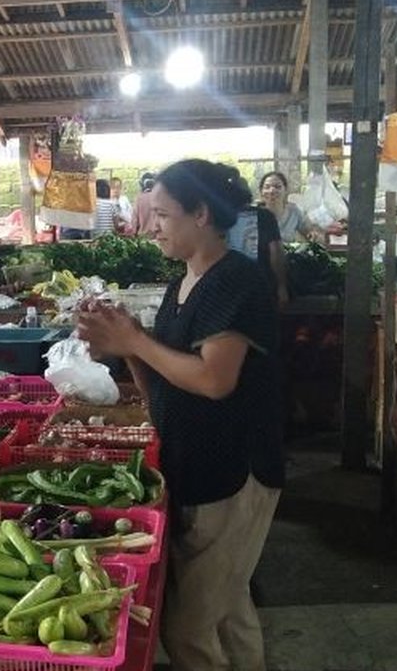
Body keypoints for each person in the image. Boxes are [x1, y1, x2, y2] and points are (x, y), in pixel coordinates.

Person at [76, 158, 284, 671]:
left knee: (187, 627)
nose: (151, 227)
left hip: (234, 472)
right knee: (228, 610)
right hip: (193, 465)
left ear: (202, 215)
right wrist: (123, 342)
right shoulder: (182, 285)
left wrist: (136, 340)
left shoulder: (235, 280)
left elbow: (215, 380)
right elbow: (164, 380)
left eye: (164, 215)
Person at [228, 179, 289, 308]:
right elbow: (276, 253)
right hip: (261, 285)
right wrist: (281, 286)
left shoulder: (216, 218)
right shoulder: (264, 216)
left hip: (228, 286)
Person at [259, 172, 314, 243]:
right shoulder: (254, 215)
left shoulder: (294, 211)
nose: (272, 191)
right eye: (267, 187)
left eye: (278, 187)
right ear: (261, 192)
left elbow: (308, 231)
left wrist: (312, 235)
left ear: (285, 190)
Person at [132, 172, 158, 238]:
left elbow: (135, 220)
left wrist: (134, 233)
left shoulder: (139, 198)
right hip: (157, 236)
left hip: (143, 237)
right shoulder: (159, 198)